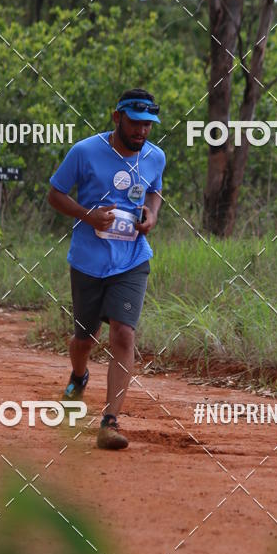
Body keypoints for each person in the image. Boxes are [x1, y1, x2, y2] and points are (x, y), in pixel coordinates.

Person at [47, 88, 165, 450]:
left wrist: (152, 216)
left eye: (148, 125)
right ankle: (79, 375)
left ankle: (110, 422)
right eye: (135, 123)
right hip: (88, 261)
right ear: (117, 118)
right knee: (85, 339)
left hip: (131, 259)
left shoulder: (155, 157)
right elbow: (55, 192)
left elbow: (154, 191)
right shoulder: (84, 152)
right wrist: (88, 214)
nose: (141, 132)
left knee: (124, 335)